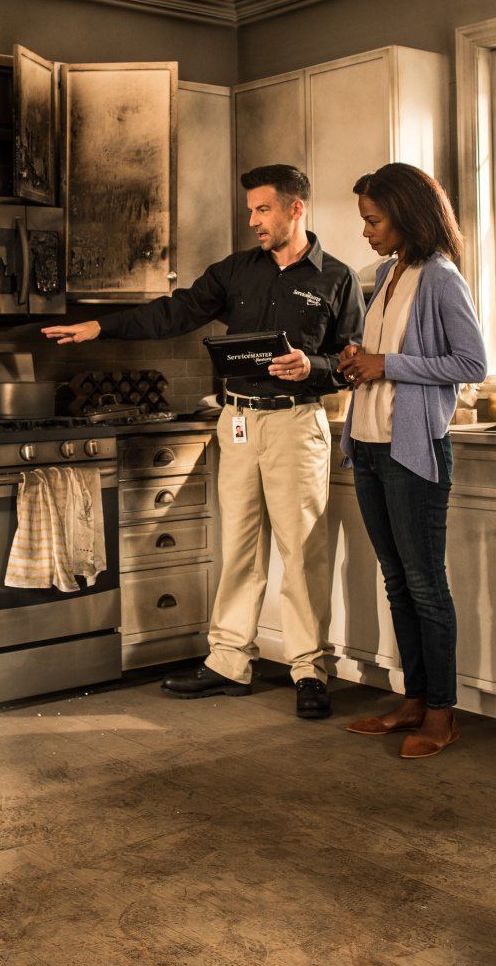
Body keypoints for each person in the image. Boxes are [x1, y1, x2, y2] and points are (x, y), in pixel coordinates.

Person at [42, 164, 364, 719]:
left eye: (263, 209)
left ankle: (309, 669)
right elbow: (175, 312)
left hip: (296, 424)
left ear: (296, 208)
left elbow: (352, 363)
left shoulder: (336, 278)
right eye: (251, 211)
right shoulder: (235, 272)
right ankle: (229, 661)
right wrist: (99, 327)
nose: (253, 221)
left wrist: (313, 365)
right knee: (238, 546)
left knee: (303, 552)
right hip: (237, 423)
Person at [336, 163, 486, 758]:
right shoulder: (386, 273)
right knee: (397, 582)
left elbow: (471, 365)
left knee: (425, 585)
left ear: (407, 214)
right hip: (370, 447)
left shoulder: (441, 277)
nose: (367, 232)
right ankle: (415, 700)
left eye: (374, 220)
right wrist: (360, 358)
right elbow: (387, 356)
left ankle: (442, 713)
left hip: (414, 453)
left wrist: (385, 365)